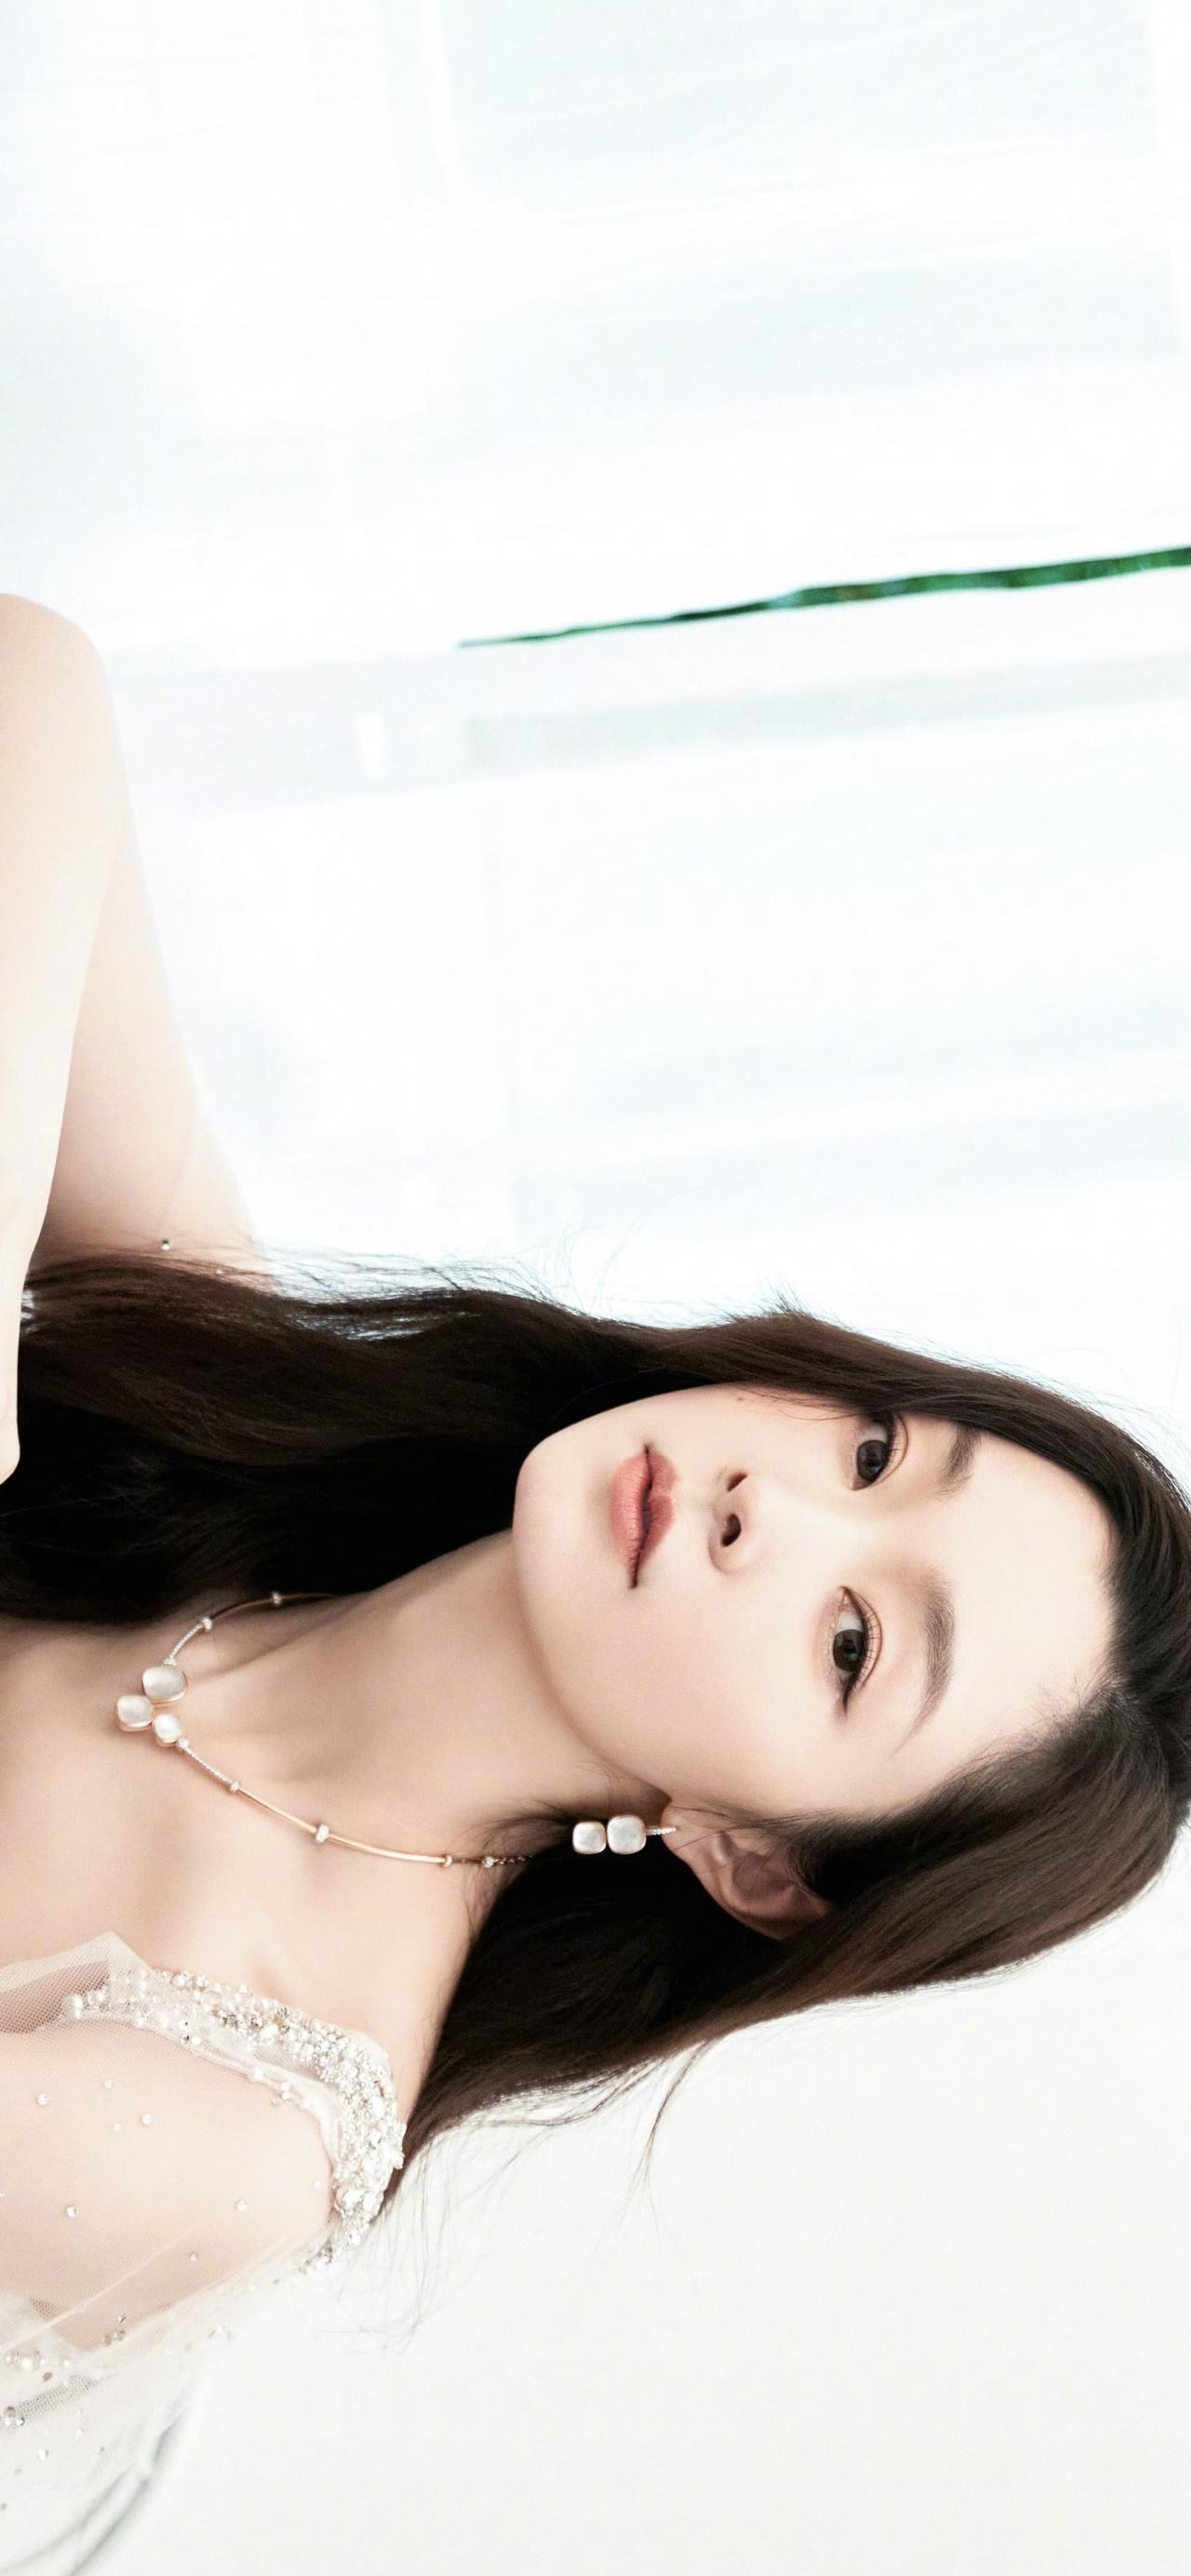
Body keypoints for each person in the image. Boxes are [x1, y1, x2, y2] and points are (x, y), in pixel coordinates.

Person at [1, 598, 1189, 2557]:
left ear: (753, 1859)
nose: (769, 1509)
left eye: (849, 1642)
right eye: (872, 1451)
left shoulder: (235, 2117)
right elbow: (31, 683)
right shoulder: (252, 1427)